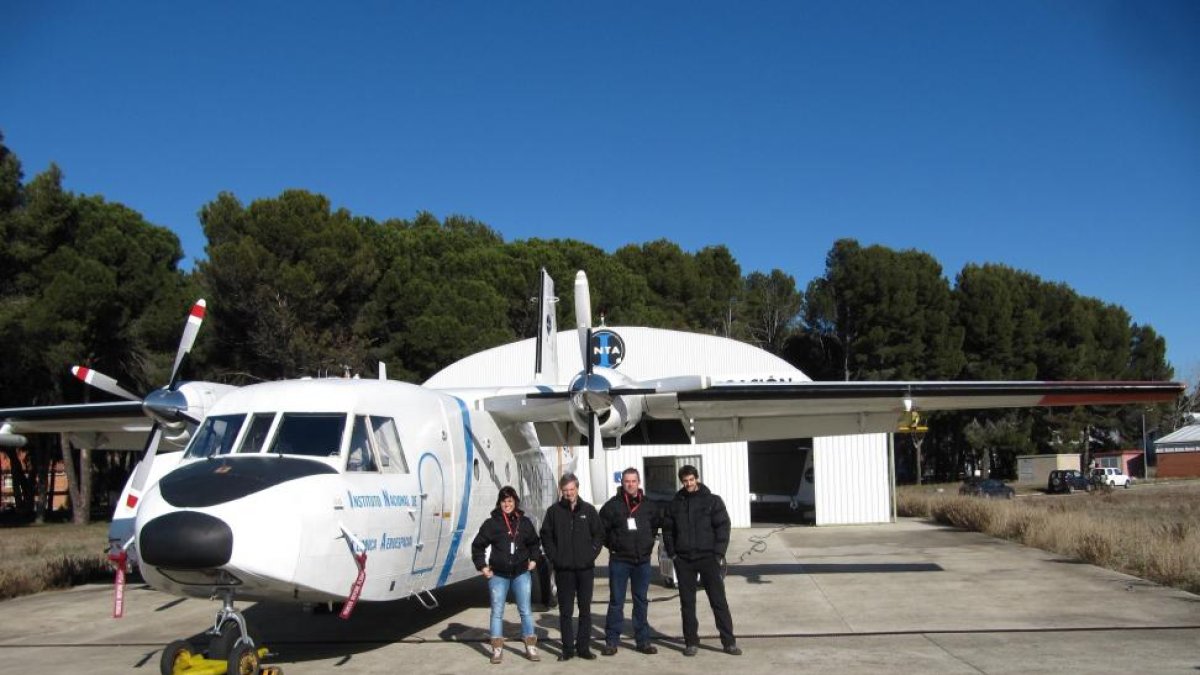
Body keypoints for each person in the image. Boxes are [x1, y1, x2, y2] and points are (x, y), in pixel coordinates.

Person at [661, 464, 740, 657]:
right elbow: (668, 531)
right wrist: (673, 554)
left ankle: (729, 642)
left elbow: (723, 527)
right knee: (687, 604)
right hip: (684, 561)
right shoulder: (675, 504)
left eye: (691, 480)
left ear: (697, 479)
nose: (689, 484)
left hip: (708, 559)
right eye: (685, 481)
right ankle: (691, 642)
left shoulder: (712, 501)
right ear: (681, 482)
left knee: (718, 601)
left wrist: (718, 554)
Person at [471, 486, 542, 664]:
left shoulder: (524, 522)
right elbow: (477, 545)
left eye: (510, 501)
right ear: (499, 503)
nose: (507, 504)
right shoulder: (492, 523)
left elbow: (534, 543)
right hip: (498, 575)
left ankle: (530, 646)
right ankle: (497, 649)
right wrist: (482, 566)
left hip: (521, 573)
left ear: (515, 502)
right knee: (497, 612)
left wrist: (534, 559)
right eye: (503, 501)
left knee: (525, 610)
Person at [540, 473, 604, 661]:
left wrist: (591, 554)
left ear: (577, 488)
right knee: (566, 611)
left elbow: (599, 534)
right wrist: (555, 557)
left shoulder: (589, 510)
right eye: (565, 490)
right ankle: (567, 649)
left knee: (585, 610)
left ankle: (583, 648)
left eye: (572, 489)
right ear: (561, 491)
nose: (569, 493)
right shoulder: (553, 512)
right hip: (564, 570)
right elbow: (546, 536)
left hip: (585, 569)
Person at [599, 467, 660, 655]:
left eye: (633, 481)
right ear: (622, 483)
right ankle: (611, 641)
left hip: (642, 561)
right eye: (627, 481)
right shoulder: (612, 506)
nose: (630, 484)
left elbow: (654, 526)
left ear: (639, 482)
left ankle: (643, 641)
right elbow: (601, 531)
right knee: (616, 601)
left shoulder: (649, 505)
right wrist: (614, 545)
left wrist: (647, 545)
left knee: (641, 601)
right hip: (620, 560)